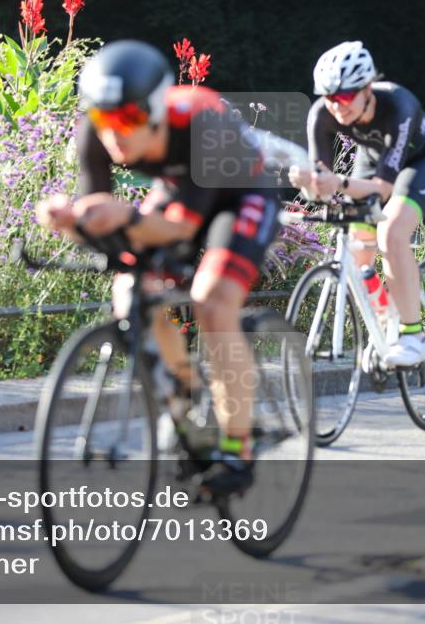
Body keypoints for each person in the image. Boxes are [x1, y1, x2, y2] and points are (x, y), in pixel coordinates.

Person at [35, 40, 282, 494]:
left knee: (213, 301)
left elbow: (179, 229)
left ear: (156, 110)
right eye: (105, 120)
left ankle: (237, 448)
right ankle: (184, 389)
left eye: (128, 119)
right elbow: (101, 214)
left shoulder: (201, 120)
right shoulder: (95, 127)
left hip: (240, 195)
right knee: (129, 289)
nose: (115, 135)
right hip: (181, 187)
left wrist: (125, 217)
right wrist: (70, 221)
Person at [289, 41, 425, 367]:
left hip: (422, 162)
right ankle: (386, 321)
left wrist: (339, 183)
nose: (337, 106)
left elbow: (384, 187)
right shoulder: (321, 113)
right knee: (353, 249)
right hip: (374, 160)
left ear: (367, 89)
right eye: (330, 97)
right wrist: (310, 184)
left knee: (390, 232)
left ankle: (412, 334)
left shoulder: (398, 105)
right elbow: (322, 185)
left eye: (346, 96)